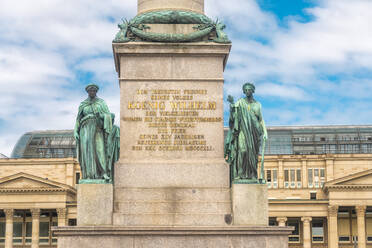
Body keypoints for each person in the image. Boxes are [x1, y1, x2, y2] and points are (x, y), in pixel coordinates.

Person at [225, 82, 268, 181]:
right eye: (246, 90)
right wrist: (232, 105)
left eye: (249, 89)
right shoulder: (240, 102)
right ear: (244, 91)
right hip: (243, 131)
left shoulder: (257, 104)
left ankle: (252, 175)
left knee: (252, 154)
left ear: (253, 91)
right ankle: (240, 174)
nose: (247, 91)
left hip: (254, 132)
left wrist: (265, 132)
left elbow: (261, 119)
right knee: (243, 150)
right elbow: (234, 115)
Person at [74, 84, 112, 181]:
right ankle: (89, 175)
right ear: (88, 92)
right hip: (85, 130)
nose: (92, 92)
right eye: (90, 91)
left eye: (94, 91)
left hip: (97, 129)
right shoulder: (83, 104)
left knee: (100, 150)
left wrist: (101, 115)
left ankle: (103, 173)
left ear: (96, 92)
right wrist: (75, 131)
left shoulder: (101, 103)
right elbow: (78, 119)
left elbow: (108, 116)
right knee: (87, 151)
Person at [107, 113, 120, 181]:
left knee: (112, 163)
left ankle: (112, 178)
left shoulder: (116, 128)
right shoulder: (104, 128)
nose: (112, 121)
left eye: (113, 119)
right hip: (106, 149)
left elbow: (118, 140)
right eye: (111, 119)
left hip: (113, 149)